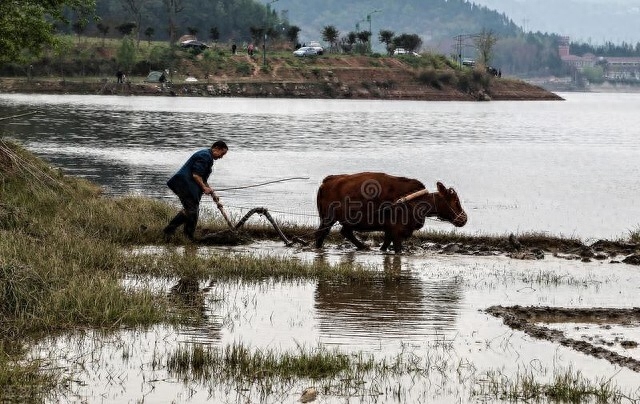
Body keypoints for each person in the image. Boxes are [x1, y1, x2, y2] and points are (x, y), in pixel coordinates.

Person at [164, 141, 229, 241]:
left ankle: (187, 236)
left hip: (187, 185)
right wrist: (204, 188)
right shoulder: (205, 156)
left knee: (193, 211)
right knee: (191, 210)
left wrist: (212, 194)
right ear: (216, 148)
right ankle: (170, 231)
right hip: (184, 184)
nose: (221, 157)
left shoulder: (208, 157)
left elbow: (202, 179)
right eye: (222, 153)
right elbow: (196, 175)